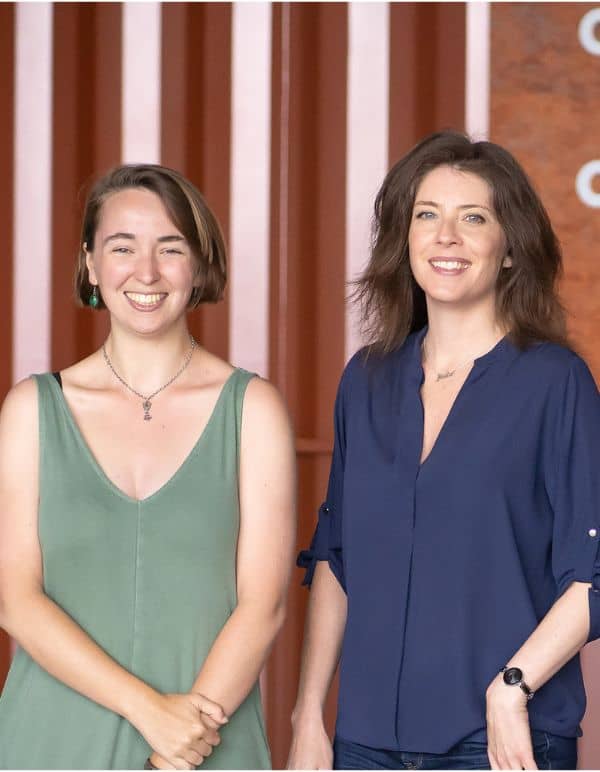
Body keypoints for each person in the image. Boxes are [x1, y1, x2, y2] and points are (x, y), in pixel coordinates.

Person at [288, 131, 600, 771]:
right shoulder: (367, 380)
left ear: (509, 248)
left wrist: (511, 688)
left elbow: (592, 572)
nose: (446, 237)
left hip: (500, 740)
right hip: (365, 742)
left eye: (474, 218)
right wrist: (308, 715)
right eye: (427, 216)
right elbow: (337, 558)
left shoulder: (555, 381)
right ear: (405, 241)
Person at [0, 164, 296, 769]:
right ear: (89, 264)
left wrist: (179, 750)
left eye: (171, 248)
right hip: (51, 741)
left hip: (204, 745)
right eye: (122, 247)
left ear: (198, 263)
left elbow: (262, 605)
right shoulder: (31, 409)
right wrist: (149, 712)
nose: (147, 272)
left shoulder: (253, 409)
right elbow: (16, 600)